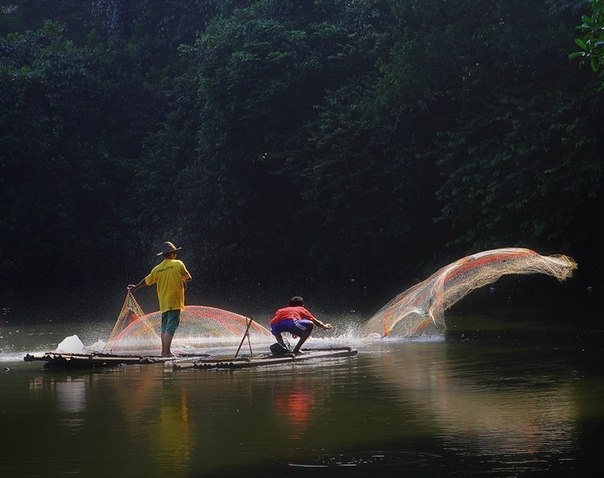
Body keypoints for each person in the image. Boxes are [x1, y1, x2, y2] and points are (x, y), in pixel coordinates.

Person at [128, 241, 192, 357]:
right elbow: (188, 277)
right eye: (175, 253)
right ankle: (166, 352)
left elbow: (147, 281)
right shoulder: (178, 264)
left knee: (164, 325)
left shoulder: (157, 269)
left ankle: (164, 351)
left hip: (163, 302)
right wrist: (182, 280)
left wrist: (135, 288)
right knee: (172, 325)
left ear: (163, 256)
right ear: (173, 254)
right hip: (175, 300)